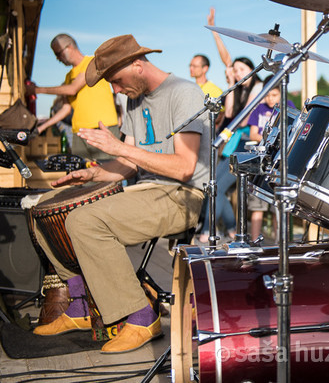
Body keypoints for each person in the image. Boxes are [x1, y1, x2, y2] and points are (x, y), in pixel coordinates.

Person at [32, 34, 209, 354]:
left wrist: (119, 147)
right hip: (146, 190)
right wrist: (95, 173)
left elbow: (184, 167)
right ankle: (82, 303)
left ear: (137, 65)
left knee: (85, 220)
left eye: (116, 80)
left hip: (182, 195)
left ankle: (141, 315)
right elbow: (129, 161)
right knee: (42, 205)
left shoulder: (184, 92)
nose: (115, 89)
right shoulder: (135, 99)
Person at [198, 8, 263, 243]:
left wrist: (216, 32)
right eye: (236, 71)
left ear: (251, 71)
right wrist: (232, 83)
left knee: (217, 186)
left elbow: (244, 120)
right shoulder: (236, 90)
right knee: (214, 185)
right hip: (231, 143)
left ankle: (208, 231)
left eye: (242, 70)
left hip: (246, 144)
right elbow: (228, 113)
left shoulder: (258, 88)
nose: (237, 73)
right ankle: (231, 229)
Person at [29, 34, 120, 161]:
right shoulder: (68, 76)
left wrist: (37, 90)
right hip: (79, 133)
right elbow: (66, 109)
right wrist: (41, 128)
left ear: (69, 47)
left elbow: (72, 89)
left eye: (59, 53)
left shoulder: (93, 63)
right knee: (82, 174)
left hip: (102, 129)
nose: (57, 58)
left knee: (107, 171)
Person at [245, 77, 296, 240]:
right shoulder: (259, 109)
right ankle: (254, 241)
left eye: (274, 95)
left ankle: (279, 242)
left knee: (279, 207)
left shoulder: (289, 107)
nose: (270, 99)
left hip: (280, 163)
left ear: (281, 94)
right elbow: (253, 133)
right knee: (257, 207)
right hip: (261, 160)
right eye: (267, 95)